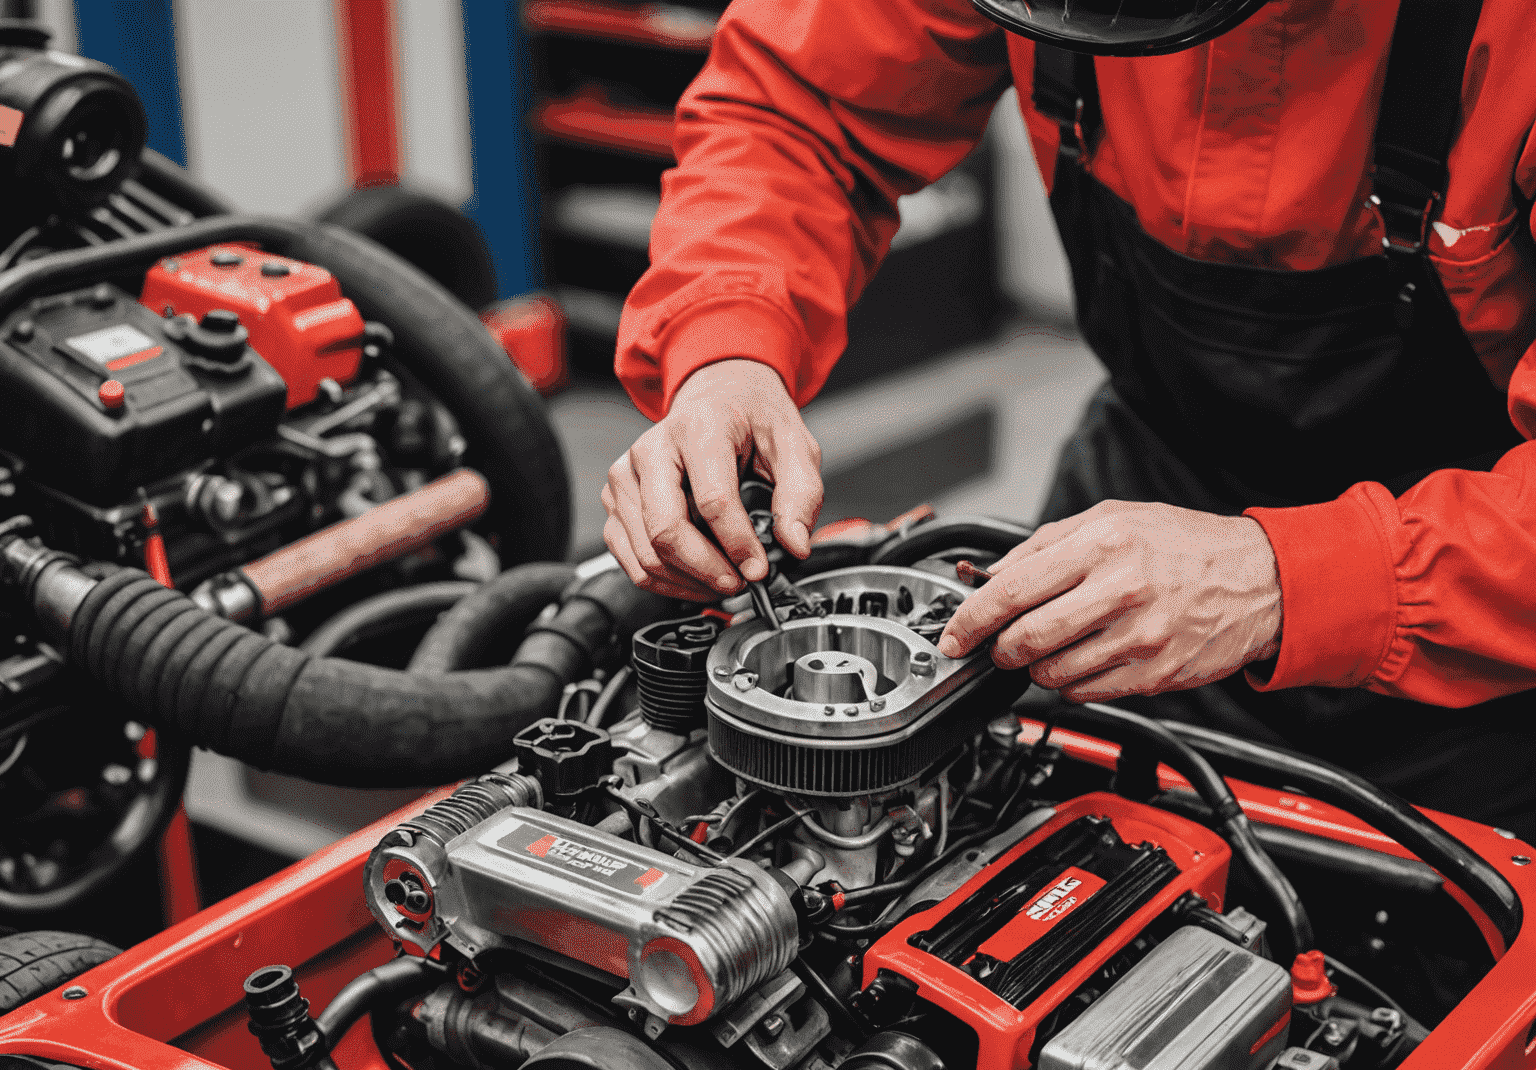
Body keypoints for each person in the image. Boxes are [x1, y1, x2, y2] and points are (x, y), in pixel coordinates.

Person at [601, 0, 1536, 837]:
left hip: (1480, 622)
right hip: (1142, 500)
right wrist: (725, 348)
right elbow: (798, 110)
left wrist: (1285, 583)